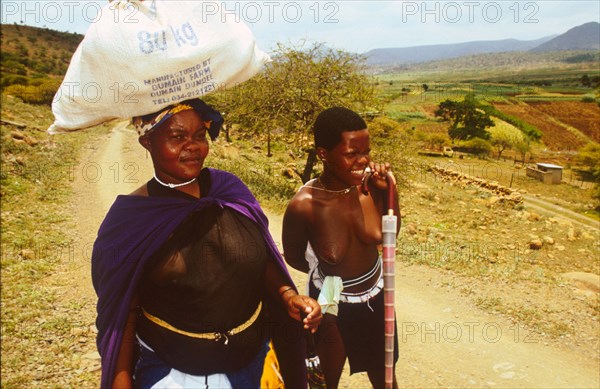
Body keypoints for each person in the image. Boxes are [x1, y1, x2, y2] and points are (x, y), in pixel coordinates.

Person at [91, 99, 322, 389]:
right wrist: (120, 380)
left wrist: (288, 295)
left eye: (199, 135)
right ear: (147, 141)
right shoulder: (130, 220)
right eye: (177, 137)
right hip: (170, 374)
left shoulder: (230, 191)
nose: (193, 146)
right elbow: (122, 312)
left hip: (249, 367)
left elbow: (261, 257)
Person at [282, 107, 400, 389]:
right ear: (324, 154)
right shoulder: (305, 205)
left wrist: (388, 193)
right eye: (351, 154)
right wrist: (329, 277)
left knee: (385, 378)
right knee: (325, 381)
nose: (363, 161)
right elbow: (295, 257)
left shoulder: (375, 185)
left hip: (376, 289)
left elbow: (391, 238)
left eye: (366, 151)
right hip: (332, 293)